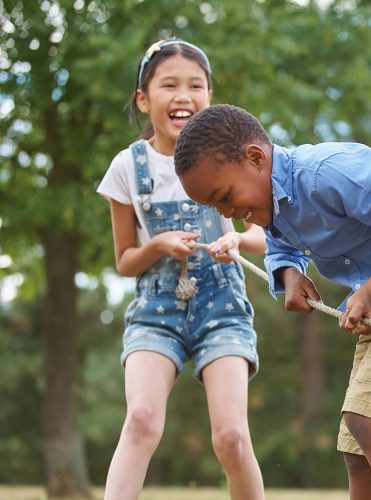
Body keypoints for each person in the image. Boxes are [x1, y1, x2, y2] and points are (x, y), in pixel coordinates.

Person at [173, 103, 371, 500]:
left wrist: (368, 289)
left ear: (255, 157)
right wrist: (289, 275)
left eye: (226, 197)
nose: (228, 213)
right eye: (216, 207)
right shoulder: (274, 205)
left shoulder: (328, 172)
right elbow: (279, 246)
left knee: (368, 420)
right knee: (357, 448)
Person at [96, 39, 266, 500]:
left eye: (196, 85)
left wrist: (237, 237)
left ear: (210, 96)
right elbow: (125, 260)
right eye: (168, 85)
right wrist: (157, 244)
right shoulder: (126, 168)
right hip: (156, 310)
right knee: (141, 421)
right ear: (143, 99)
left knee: (231, 436)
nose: (183, 95)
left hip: (223, 306)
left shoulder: (234, 155)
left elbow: (263, 235)